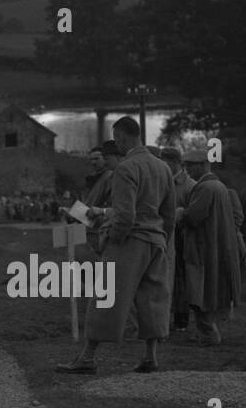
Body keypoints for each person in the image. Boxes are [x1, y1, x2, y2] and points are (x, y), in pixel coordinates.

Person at [58, 116, 175, 374]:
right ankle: (151, 357)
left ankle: (87, 358)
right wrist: (162, 238)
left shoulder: (125, 168)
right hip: (156, 241)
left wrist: (112, 239)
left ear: (122, 137)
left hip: (129, 242)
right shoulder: (163, 167)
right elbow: (169, 215)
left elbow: (125, 216)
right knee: (152, 298)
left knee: (104, 296)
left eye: (117, 138)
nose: (116, 143)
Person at [177, 150, 242, 345]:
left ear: (203, 165)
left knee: (200, 291)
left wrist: (180, 213)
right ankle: (205, 332)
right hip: (214, 246)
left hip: (202, 248)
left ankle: (208, 334)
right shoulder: (219, 186)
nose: (186, 169)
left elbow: (194, 217)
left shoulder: (205, 187)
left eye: (190, 165)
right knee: (209, 290)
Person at [161, 147, 197, 333]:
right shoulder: (162, 181)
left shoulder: (190, 185)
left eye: (166, 161)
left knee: (181, 278)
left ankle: (181, 319)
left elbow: (193, 214)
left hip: (182, 238)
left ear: (176, 163)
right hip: (165, 236)